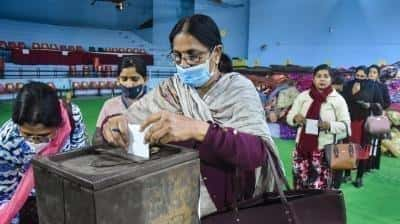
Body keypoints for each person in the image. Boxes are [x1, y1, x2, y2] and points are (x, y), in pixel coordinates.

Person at [101, 14, 283, 218]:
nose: (184, 64)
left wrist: (199, 130)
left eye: (193, 55)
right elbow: (132, 119)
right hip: (176, 202)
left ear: (216, 53)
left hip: (231, 206)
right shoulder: (171, 90)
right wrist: (113, 124)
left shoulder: (238, 89)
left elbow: (255, 152)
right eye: (177, 56)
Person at [0, 82, 88, 224]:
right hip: (30, 200)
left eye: (44, 135)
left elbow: (80, 158)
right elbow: (5, 193)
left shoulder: (72, 117)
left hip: (67, 193)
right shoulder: (7, 139)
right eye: (27, 135)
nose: (35, 141)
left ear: (58, 125)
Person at [286, 64, 351, 190]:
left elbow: (346, 125)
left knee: (319, 186)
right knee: (299, 183)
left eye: (326, 76)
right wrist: (295, 118)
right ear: (313, 79)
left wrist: (329, 125)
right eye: (318, 76)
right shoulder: (303, 96)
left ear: (331, 79)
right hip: (301, 149)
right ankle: (299, 207)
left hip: (323, 149)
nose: (322, 79)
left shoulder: (338, 100)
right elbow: (290, 117)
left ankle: (317, 208)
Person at [342, 65, 384, 187]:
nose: (359, 78)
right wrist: (353, 93)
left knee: (363, 149)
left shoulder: (373, 86)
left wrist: (369, 105)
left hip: (364, 122)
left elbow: (380, 104)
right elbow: (343, 100)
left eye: (362, 76)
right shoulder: (349, 85)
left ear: (366, 76)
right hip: (350, 120)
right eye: (357, 76)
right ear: (354, 75)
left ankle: (359, 177)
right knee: (347, 148)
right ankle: (347, 174)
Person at [93, 56, 148, 145]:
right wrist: (106, 135)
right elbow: (96, 139)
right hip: (118, 157)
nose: (129, 84)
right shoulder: (109, 105)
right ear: (118, 80)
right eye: (124, 79)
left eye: (134, 79)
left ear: (145, 79)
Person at [367, 64, 390, 171]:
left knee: (375, 142)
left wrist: (377, 106)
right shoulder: (363, 85)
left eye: (374, 72)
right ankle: (362, 163)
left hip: (376, 116)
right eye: (370, 72)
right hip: (364, 115)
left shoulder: (382, 87)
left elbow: (387, 102)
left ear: (378, 75)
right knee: (365, 140)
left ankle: (372, 164)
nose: (371, 74)